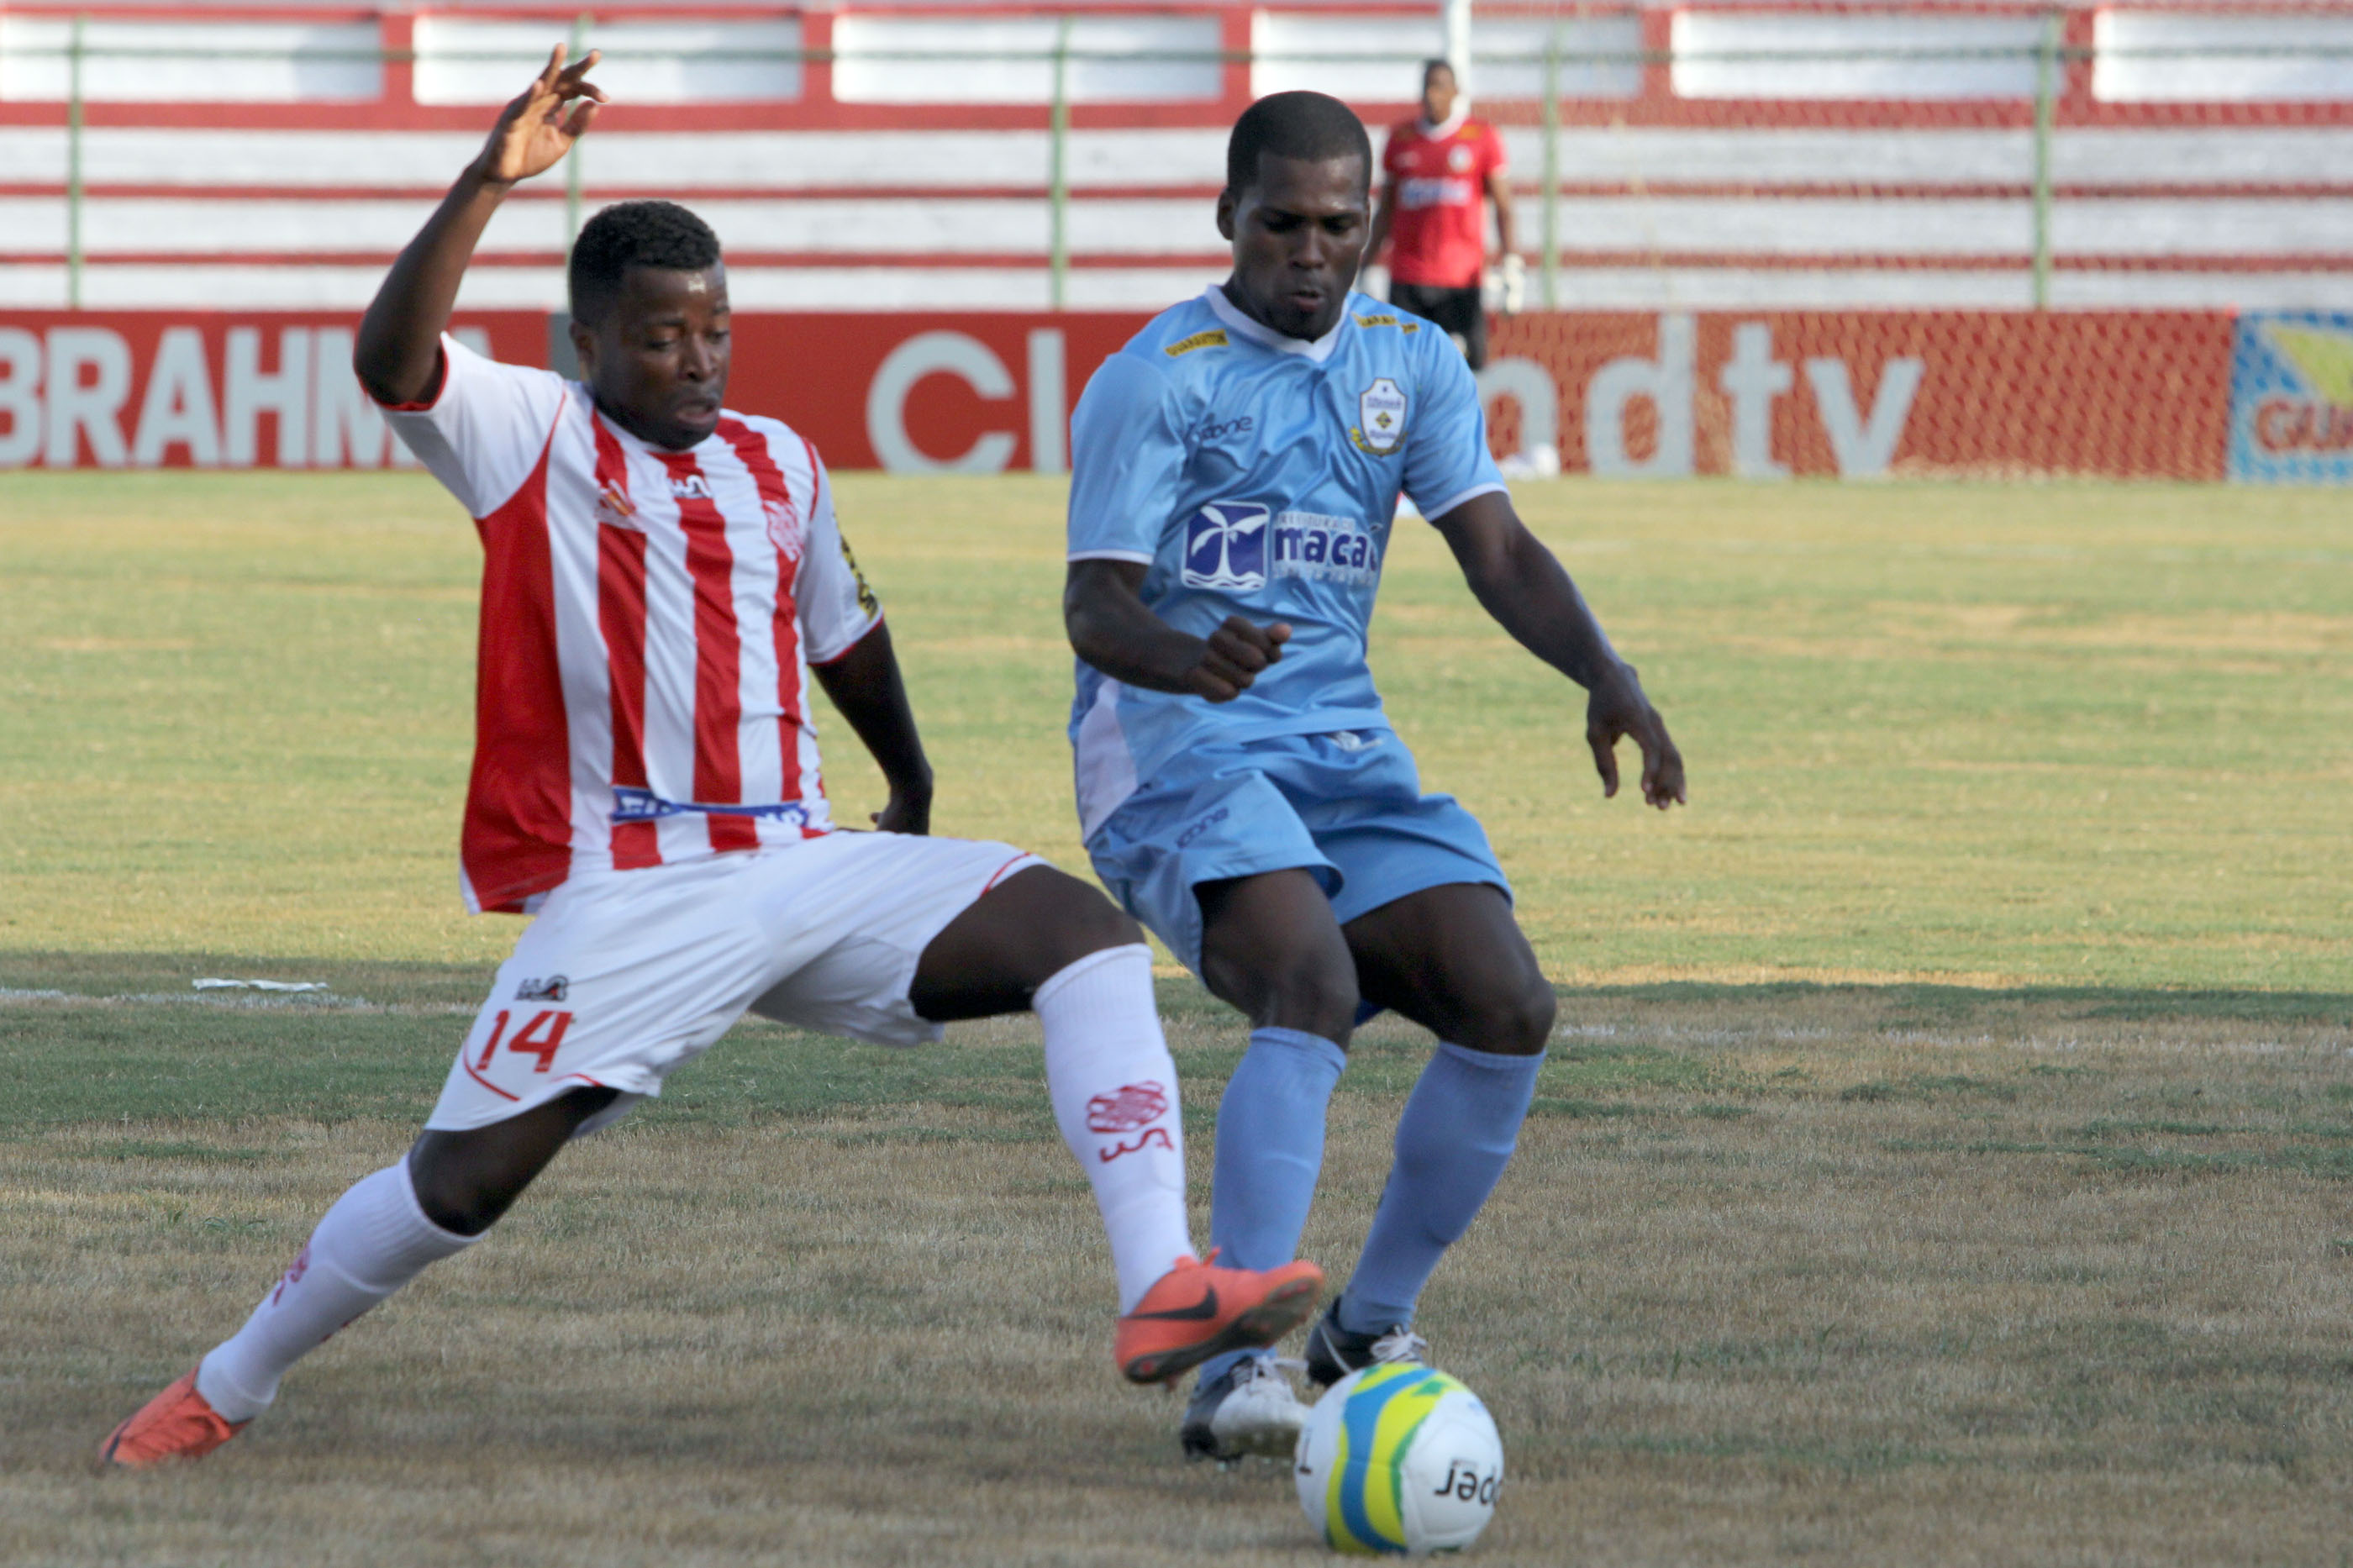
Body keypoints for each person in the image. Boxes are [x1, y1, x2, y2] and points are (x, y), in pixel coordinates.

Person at [99, 47, 1323, 1471]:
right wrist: (486, 184)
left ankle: (1159, 1287)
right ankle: (223, 1387)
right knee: (463, 1184)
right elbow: (389, 361)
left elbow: (845, 632)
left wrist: (910, 778)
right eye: (665, 336)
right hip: (637, 893)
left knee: (1084, 938)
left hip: (801, 859)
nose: (699, 359)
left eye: (716, 331)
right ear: (590, 348)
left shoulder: (779, 462)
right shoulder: (529, 437)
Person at [1060, 90, 1685, 1462]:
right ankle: (1237, 1363)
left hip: (1343, 760)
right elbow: (1094, 611)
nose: (1308, 249)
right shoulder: (1157, 376)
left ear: (1373, 225)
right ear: (1227, 217)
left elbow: (1501, 553)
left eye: (1337, 224)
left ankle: (1364, 1329)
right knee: (1314, 982)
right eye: (1279, 222)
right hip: (1175, 751)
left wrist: (1609, 675)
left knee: (1508, 999)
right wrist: (1189, 658)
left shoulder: (1414, 362)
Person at [1367, 58, 1518, 371]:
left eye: (1440, 87)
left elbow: (1504, 206)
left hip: (1460, 278)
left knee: (1461, 370)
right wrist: (1366, 264)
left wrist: (1511, 261)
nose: (1432, 95)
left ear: (1456, 92)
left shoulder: (1481, 138)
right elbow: (1386, 208)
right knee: (1405, 372)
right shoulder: (1401, 139)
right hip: (1408, 276)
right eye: (1427, 87)